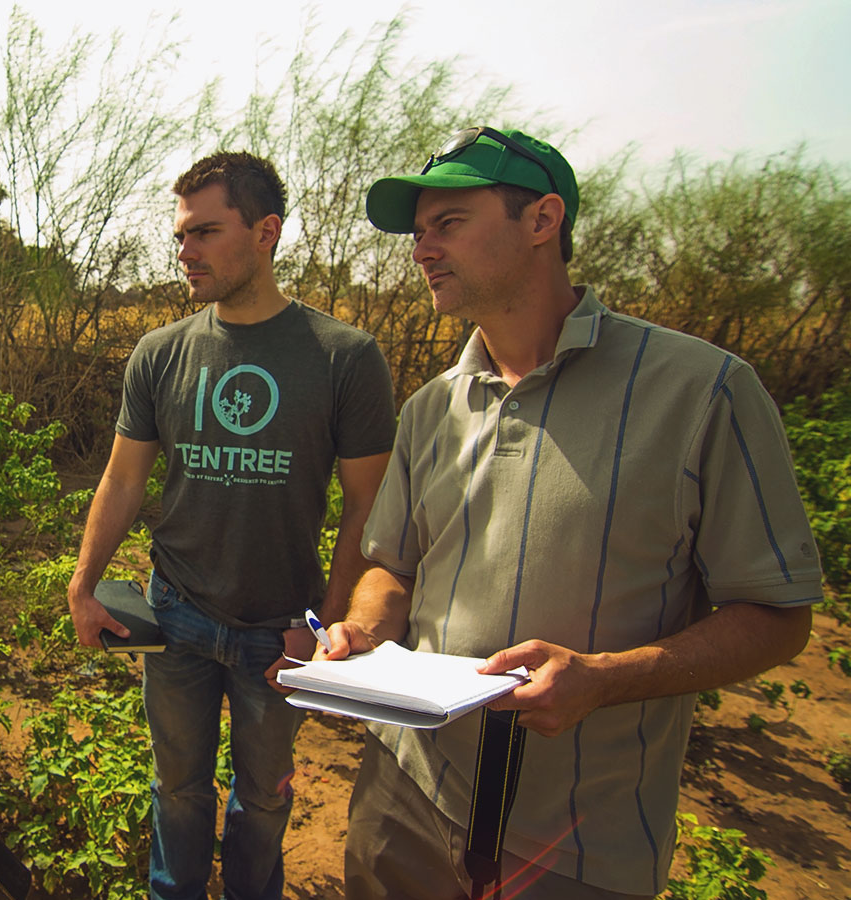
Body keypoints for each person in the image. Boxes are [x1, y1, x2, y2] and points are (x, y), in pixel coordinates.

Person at [327, 127, 821, 899]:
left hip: (577, 846)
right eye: (418, 232)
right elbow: (393, 566)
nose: (422, 249)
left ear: (542, 219)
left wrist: (604, 678)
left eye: (448, 223)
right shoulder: (430, 407)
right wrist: (364, 626)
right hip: (403, 794)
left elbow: (778, 614)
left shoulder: (702, 392)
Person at [66, 151, 397, 899]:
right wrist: (84, 584)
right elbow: (122, 479)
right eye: (181, 235)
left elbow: (367, 510)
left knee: (265, 798)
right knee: (177, 789)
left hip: (279, 632)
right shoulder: (161, 353)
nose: (186, 251)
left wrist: (320, 626)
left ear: (265, 232)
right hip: (177, 615)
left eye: (206, 232)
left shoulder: (345, 358)